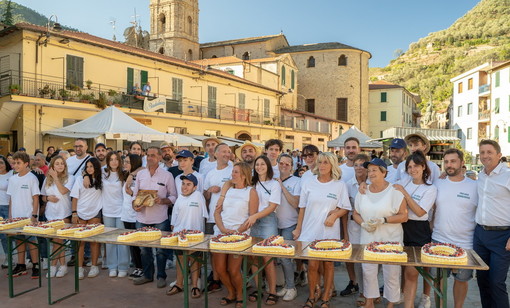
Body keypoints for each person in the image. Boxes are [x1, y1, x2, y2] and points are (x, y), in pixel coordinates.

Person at [293, 152, 351, 308]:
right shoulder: (309, 183)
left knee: (328, 265)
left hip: (329, 233)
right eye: (320, 162)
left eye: (326, 162)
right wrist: (298, 228)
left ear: (332, 164)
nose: (322, 165)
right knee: (312, 266)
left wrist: (335, 215)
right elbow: (302, 208)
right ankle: (312, 296)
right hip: (310, 230)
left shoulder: (339, 185)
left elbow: (345, 207)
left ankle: (326, 298)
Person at [353, 158, 408, 308]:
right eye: (369, 170)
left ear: (384, 172)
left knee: (391, 274)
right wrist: (363, 223)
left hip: (391, 240)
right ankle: (369, 302)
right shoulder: (362, 191)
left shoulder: (395, 191)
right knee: (368, 273)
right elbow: (355, 213)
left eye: (374, 170)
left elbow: (404, 216)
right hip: (368, 239)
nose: (370, 173)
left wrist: (384, 220)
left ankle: (390, 304)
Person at [431, 148, 478, 308]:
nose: (449, 165)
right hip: (439, 240)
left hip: (465, 243)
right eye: (446, 162)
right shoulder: (438, 183)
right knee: (438, 279)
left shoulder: (474, 186)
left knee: (461, 281)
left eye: (453, 161)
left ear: (462, 163)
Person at [393, 151, 437, 308]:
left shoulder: (430, 189)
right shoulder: (404, 182)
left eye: (416, 166)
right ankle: (406, 297)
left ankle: (414, 302)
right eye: (409, 167)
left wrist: (404, 194)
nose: (412, 170)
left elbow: (419, 212)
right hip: (401, 227)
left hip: (419, 230)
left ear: (423, 167)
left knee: (412, 271)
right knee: (405, 269)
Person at [213, 162, 258, 308]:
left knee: (233, 270)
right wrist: (222, 229)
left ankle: (239, 294)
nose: (233, 174)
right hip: (221, 233)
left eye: (236, 172)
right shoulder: (227, 190)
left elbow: (252, 217)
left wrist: (237, 232)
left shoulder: (251, 191)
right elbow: (217, 212)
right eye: (232, 172)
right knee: (219, 269)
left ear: (244, 175)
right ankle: (231, 292)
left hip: (240, 235)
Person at [132, 146, 177, 288]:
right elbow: (134, 196)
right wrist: (135, 205)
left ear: (159, 158)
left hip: (160, 218)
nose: (149, 158)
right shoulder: (140, 175)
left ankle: (161, 276)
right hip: (142, 218)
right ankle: (147, 275)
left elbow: (174, 196)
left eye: (152, 155)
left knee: (161, 250)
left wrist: (162, 201)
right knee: (144, 250)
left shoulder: (167, 175)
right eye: (148, 155)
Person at [473, 139, 510, 308]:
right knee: (482, 281)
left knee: (496, 282)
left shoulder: (507, 176)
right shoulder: (480, 175)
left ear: (499, 155)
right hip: (480, 235)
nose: (485, 156)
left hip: (502, 236)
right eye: (482, 152)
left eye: (489, 152)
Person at [245, 155, 282, 305]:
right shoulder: (252, 183)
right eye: (257, 164)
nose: (259, 167)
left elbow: (272, 206)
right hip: (253, 221)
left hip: (267, 221)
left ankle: (272, 291)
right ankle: (258, 287)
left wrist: (255, 216)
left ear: (268, 166)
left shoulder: (274, 184)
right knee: (254, 258)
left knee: (268, 258)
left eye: (262, 164)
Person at [167, 174, 208, 298]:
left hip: (195, 237)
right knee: (180, 260)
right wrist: (175, 233)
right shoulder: (179, 198)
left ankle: (195, 285)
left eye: (188, 184)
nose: (185, 187)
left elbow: (204, 217)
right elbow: (173, 221)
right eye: (183, 184)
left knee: (195, 261)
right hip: (180, 236)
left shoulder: (199, 197)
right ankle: (179, 284)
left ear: (195, 187)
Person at [203, 143, 233, 292]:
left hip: (229, 217)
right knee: (214, 251)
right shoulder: (210, 173)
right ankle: (215, 279)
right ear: (215, 154)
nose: (227, 154)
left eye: (229, 152)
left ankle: (230, 279)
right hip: (212, 217)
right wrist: (209, 190)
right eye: (224, 151)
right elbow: (206, 196)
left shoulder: (234, 169)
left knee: (229, 251)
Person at [7, 152, 41, 278]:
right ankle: (21, 265)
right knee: (19, 240)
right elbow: (11, 198)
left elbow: (36, 198)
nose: (15, 165)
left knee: (32, 240)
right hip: (16, 217)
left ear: (26, 164)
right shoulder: (12, 179)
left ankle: (36, 264)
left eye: (18, 163)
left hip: (28, 217)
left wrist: (34, 215)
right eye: (14, 163)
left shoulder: (32, 178)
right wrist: (10, 216)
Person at [41, 155, 75, 278]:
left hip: (64, 213)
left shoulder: (70, 178)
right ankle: (62, 266)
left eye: (62, 163)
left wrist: (55, 178)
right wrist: (47, 198)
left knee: (58, 241)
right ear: (52, 166)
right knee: (56, 241)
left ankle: (53, 266)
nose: (60, 165)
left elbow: (63, 191)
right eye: (57, 163)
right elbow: (43, 196)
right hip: (50, 214)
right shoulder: (47, 179)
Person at [342, 154, 369, 305]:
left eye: (362, 164)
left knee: (371, 261)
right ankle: (363, 293)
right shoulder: (347, 185)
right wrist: (345, 232)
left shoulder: (375, 183)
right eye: (356, 165)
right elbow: (345, 211)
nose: (359, 167)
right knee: (358, 261)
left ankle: (371, 292)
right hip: (353, 227)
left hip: (372, 227)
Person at [71, 157, 103, 279]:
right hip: (80, 213)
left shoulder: (101, 179)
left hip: (95, 213)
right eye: (87, 167)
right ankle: (79, 268)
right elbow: (75, 197)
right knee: (80, 242)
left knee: (94, 242)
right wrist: (74, 213)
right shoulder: (79, 179)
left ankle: (94, 267)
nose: (89, 169)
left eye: (91, 166)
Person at [275, 154, 301, 301]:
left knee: (286, 258)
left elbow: (295, 203)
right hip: (274, 223)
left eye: (287, 164)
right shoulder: (273, 180)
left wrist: (282, 187)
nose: (284, 165)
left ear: (292, 166)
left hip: (290, 224)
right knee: (277, 258)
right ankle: (285, 284)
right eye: (281, 163)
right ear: (277, 164)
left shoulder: (297, 181)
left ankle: (291, 287)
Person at [101, 151, 129, 278]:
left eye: (116, 159)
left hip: (121, 211)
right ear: (108, 161)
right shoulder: (102, 173)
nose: (114, 161)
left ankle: (123, 266)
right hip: (107, 211)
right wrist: (85, 175)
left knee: (122, 240)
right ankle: (112, 266)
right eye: (111, 159)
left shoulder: (124, 174)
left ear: (119, 161)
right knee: (110, 240)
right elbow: (87, 171)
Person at [121, 154, 144, 280]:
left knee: (140, 244)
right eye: (124, 161)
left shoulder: (141, 176)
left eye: (128, 162)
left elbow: (142, 195)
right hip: (126, 215)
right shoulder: (125, 176)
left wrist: (132, 194)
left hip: (137, 216)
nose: (125, 164)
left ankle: (142, 268)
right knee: (132, 244)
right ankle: (137, 266)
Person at [0, 155, 14, 268]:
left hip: (7, 206)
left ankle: (10, 258)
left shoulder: (12, 174)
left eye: (1, 162)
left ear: (6, 163)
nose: (0, 165)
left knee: (6, 235)